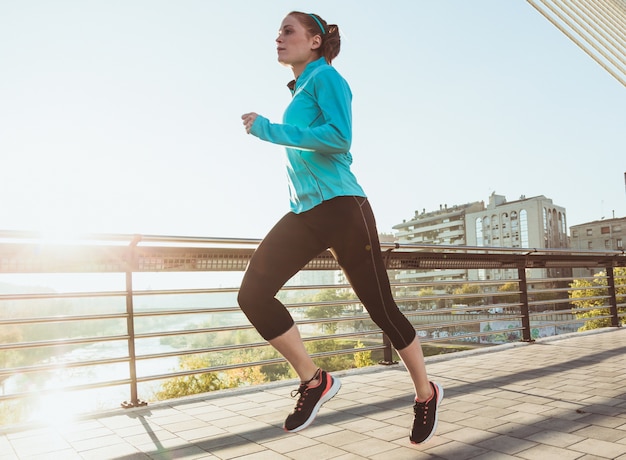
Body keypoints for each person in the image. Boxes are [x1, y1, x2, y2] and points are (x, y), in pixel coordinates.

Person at [238, 11, 442, 444]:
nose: (278, 37)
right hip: (305, 212)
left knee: (380, 308)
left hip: (344, 207)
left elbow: (339, 138)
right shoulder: (302, 89)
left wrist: (269, 129)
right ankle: (315, 381)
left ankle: (425, 393)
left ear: (314, 41)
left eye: (287, 30)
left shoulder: (327, 78)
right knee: (252, 294)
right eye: (278, 32)